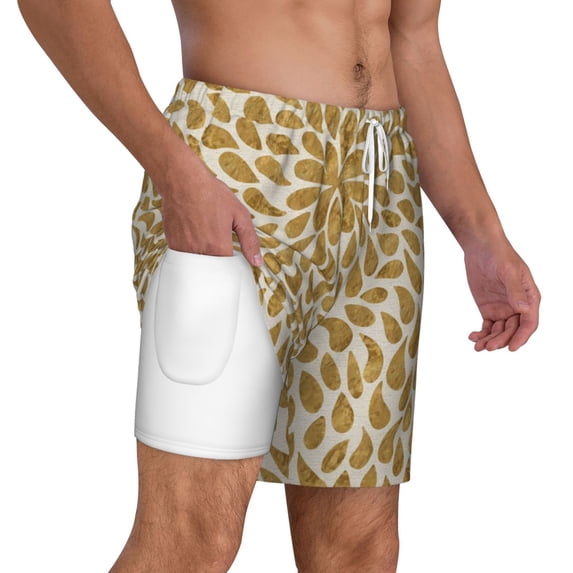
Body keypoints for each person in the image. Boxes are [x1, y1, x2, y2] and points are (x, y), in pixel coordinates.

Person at [18, 0, 540, 571]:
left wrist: (482, 235)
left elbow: (412, 37)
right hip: (237, 168)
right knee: (191, 539)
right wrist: (174, 172)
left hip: (381, 197)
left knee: (360, 549)